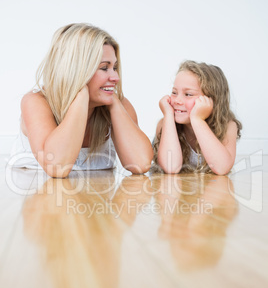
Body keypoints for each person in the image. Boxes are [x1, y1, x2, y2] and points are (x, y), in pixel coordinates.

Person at [9, 23, 153, 178]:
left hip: (94, 199)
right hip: (40, 193)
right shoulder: (36, 102)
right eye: (104, 68)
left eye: (115, 68)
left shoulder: (116, 104)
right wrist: (81, 95)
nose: (115, 78)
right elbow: (57, 167)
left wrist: (115, 103)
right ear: (77, 70)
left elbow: (141, 164)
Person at [152, 60, 242, 175]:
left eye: (188, 94)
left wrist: (197, 120)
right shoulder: (165, 123)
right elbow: (171, 167)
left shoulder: (228, 126)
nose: (177, 100)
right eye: (174, 92)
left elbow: (221, 168)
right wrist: (168, 115)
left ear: (211, 99)